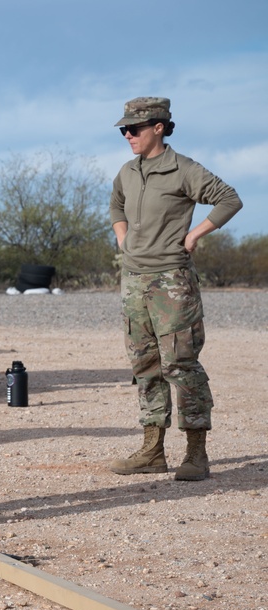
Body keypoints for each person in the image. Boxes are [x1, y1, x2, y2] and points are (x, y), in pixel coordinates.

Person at [108, 97, 242, 481]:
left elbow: (229, 198)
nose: (128, 135)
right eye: (124, 130)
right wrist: (123, 239)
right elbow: (116, 205)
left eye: (134, 128)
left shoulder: (183, 169)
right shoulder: (128, 171)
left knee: (180, 364)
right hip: (134, 281)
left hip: (172, 281)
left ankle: (196, 454)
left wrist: (195, 234)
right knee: (145, 365)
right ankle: (152, 451)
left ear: (159, 127)